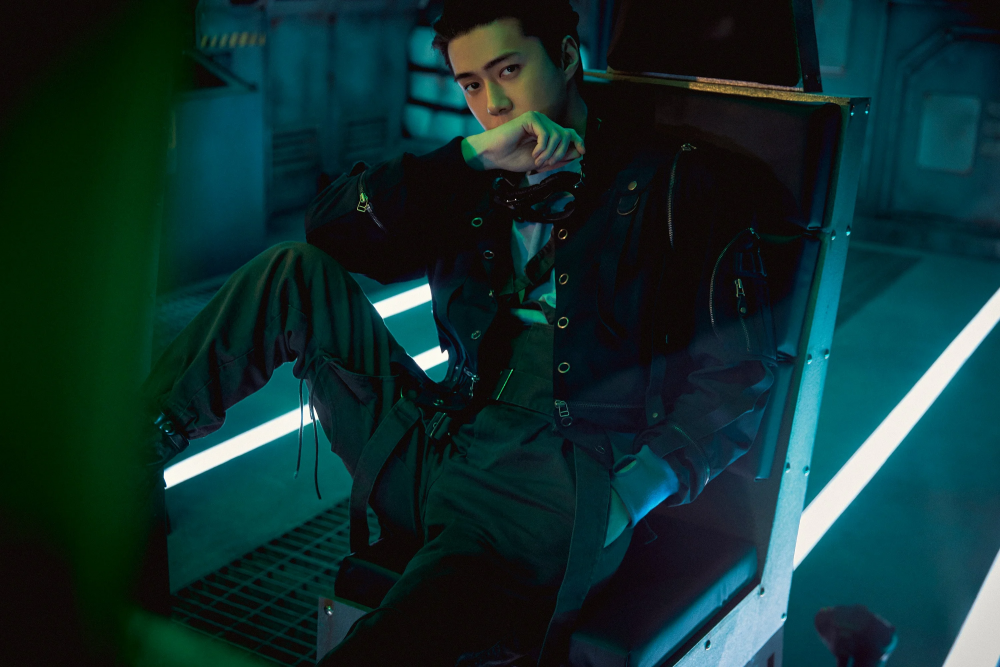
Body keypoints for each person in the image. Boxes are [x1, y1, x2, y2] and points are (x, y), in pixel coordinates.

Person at [141, 1, 778, 664]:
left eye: (509, 71)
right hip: (439, 444)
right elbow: (328, 229)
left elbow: (737, 379)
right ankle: (136, 449)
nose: (493, 103)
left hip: (554, 484)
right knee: (291, 274)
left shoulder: (674, 182)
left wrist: (625, 498)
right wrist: (470, 156)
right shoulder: (475, 178)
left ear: (566, 57)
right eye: (472, 84)